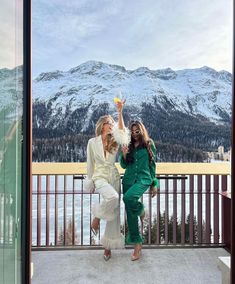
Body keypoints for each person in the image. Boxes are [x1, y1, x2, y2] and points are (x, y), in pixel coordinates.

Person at [85, 100, 129, 261]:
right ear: (102, 125)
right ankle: (96, 218)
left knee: (114, 213)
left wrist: (119, 112)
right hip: (100, 177)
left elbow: (123, 132)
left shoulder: (114, 140)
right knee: (113, 198)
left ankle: (107, 248)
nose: (112, 125)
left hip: (114, 176)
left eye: (112, 123)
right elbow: (90, 163)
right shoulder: (92, 142)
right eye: (109, 123)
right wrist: (90, 181)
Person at [120, 120, 159, 261]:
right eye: (133, 132)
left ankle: (141, 210)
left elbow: (152, 165)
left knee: (128, 198)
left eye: (138, 131)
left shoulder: (149, 144)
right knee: (130, 213)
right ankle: (137, 245)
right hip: (128, 180)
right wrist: (124, 154)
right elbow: (123, 165)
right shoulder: (128, 145)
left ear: (142, 131)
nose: (135, 134)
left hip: (143, 179)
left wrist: (154, 183)